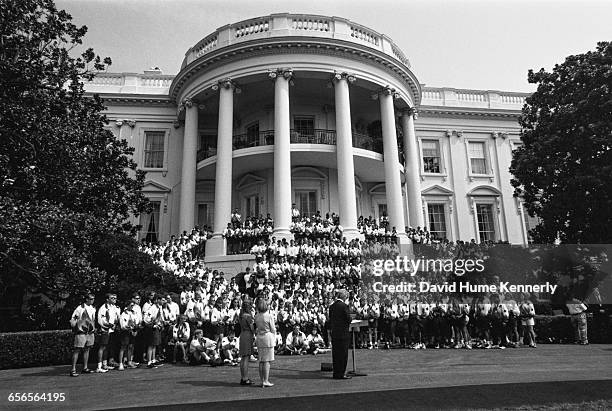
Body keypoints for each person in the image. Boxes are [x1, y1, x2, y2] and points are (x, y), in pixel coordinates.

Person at [69, 293, 96, 376]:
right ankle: (73, 369)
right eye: (91, 299)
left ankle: (85, 368)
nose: (92, 300)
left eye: (93, 299)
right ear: (86, 299)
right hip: (81, 332)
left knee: (87, 349)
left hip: (90, 332)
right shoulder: (80, 308)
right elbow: (73, 319)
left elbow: (93, 319)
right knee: (77, 349)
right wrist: (76, 328)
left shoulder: (93, 308)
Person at [329, 289, 351, 379]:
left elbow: (330, 318)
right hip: (343, 333)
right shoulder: (344, 306)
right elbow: (348, 319)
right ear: (344, 296)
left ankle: (336, 372)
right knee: (343, 354)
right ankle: (341, 373)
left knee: (336, 354)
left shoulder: (332, 306)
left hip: (335, 333)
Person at [254, 297, 276, 387]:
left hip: (259, 337)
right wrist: (274, 338)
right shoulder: (269, 316)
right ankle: (265, 380)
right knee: (267, 361)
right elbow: (273, 329)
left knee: (261, 361)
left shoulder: (256, 316)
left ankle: (262, 380)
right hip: (267, 337)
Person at [238, 299, 255, 385]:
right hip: (248, 335)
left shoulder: (241, 315)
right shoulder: (248, 316)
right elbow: (252, 328)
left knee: (243, 357)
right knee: (246, 357)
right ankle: (245, 378)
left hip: (242, 334)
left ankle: (243, 377)